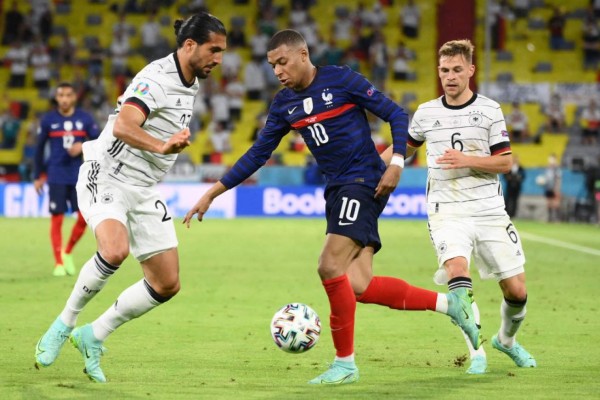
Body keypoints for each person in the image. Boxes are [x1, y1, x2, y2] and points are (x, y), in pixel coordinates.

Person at [183, 29, 481, 386]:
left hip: (363, 182)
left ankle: (345, 363)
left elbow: (397, 115)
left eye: (282, 62)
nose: (277, 71)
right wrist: (213, 192)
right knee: (358, 284)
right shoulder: (284, 104)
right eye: (272, 65)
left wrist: (397, 162)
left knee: (329, 265)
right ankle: (452, 306)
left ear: (303, 54)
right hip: (337, 189)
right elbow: (258, 154)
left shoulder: (341, 80)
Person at [34, 12, 227, 383]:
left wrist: (162, 148)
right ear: (189, 46)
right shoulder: (156, 78)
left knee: (167, 282)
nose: (218, 59)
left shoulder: (191, 80)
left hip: (143, 188)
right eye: (213, 50)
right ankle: (64, 323)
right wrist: (163, 144)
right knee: (115, 250)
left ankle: (93, 335)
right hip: (106, 173)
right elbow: (124, 125)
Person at [382, 39, 536, 374]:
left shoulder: (489, 111)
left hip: (489, 209)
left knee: (517, 291)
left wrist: (465, 159)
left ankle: (506, 341)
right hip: (446, 210)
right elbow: (402, 150)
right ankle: (476, 352)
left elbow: (506, 162)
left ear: (470, 70)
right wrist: (368, 170)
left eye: (456, 70)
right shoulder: (426, 113)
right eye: (444, 70)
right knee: (457, 273)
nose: (449, 76)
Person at [33, 82, 100, 276]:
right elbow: (38, 150)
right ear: (56, 97)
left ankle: (68, 251)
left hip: (80, 175)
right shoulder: (48, 120)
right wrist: (37, 175)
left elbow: (99, 142)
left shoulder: (85, 119)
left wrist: (83, 146)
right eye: (60, 95)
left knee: (84, 217)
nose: (64, 99)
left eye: (68, 95)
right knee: (57, 218)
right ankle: (59, 263)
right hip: (56, 175)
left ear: (74, 98)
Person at [543, 153, 562, 222]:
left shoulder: (557, 169)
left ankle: (556, 218)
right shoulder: (547, 169)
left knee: (556, 204)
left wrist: (557, 188)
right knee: (549, 203)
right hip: (548, 188)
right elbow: (546, 178)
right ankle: (550, 218)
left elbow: (558, 179)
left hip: (554, 188)